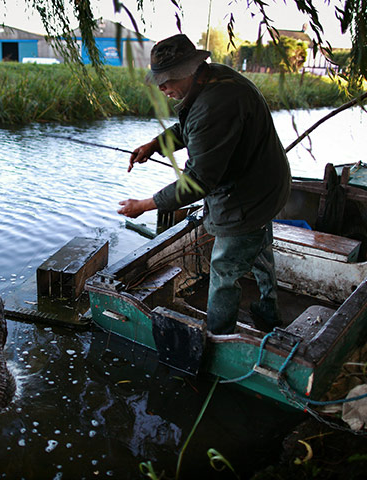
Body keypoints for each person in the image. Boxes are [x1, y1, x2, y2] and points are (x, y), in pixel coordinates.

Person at [117, 34, 291, 334]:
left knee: (225, 270)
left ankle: (218, 336)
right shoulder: (215, 79)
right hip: (268, 184)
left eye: (168, 80)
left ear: (190, 70)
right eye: (159, 80)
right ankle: (267, 310)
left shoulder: (214, 105)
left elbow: (197, 183)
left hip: (249, 198)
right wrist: (156, 145)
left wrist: (146, 204)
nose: (162, 88)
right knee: (259, 248)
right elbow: (191, 127)